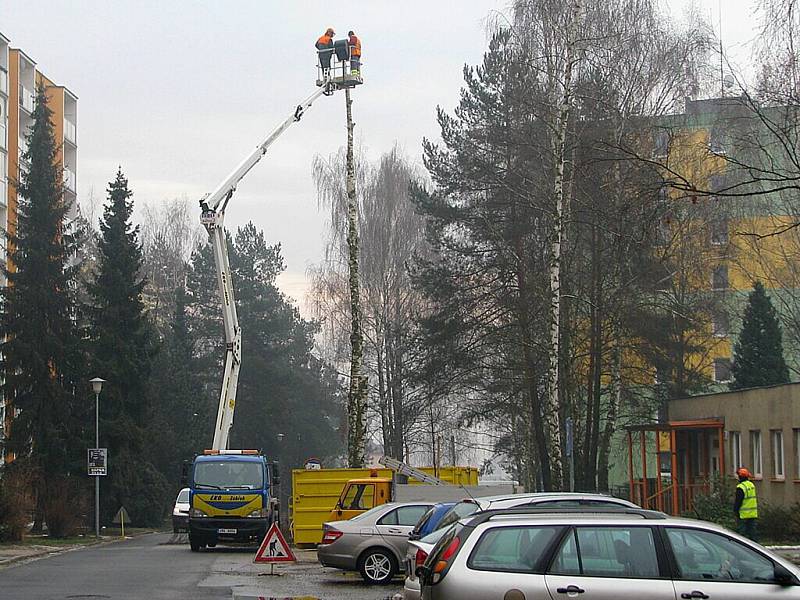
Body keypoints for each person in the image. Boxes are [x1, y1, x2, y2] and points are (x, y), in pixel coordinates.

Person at [733, 467, 758, 541]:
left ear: (740, 477)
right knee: (752, 534)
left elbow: (738, 501)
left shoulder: (741, 487)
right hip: (752, 514)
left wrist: (735, 511)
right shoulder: (751, 485)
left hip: (743, 514)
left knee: (741, 536)